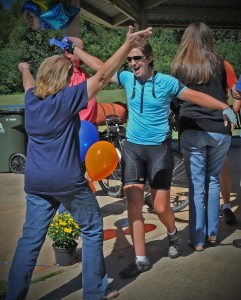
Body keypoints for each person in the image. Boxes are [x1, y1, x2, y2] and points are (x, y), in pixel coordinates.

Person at [5, 25, 153, 300]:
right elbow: (105, 74)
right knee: (93, 226)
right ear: (63, 79)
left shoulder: (31, 101)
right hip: (67, 180)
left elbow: (28, 83)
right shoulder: (66, 99)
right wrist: (126, 44)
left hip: (35, 181)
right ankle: (95, 291)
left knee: (29, 240)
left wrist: (24, 68)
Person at [73, 37, 236, 277]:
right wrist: (76, 49)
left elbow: (195, 96)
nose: (132, 63)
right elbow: (100, 66)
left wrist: (224, 107)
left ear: (149, 58)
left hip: (159, 150)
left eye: (137, 58)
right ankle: (141, 259)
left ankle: (172, 234)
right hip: (133, 150)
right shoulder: (128, 79)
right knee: (134, 206)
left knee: (160, 208)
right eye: (129, 59)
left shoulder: (166, 82)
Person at [171, 22, 237, 252]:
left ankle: (198, 239)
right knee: (212, 182)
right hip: (219, 130)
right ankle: (212, 234)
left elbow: (174, 100)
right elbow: (232, 91)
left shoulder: (179, 65)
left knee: (197, 186)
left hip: (192, 129)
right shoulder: (220, 63)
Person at [57, 36, 102, 215]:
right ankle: (65, 215)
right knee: (71, 177)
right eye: (81, 49)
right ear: (69, 52)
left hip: (87, 131)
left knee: (82, 175)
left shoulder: (81, 70)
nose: (85, 53)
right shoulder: (64, 73)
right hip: (75, 132)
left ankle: (79, 211)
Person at [219, 61, 240, 225]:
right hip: (195, 122)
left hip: (220, 121)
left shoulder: (223, 65)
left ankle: (226, 206)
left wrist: (233, 114)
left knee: (222, 166)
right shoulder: (189, 62)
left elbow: (237, 92)